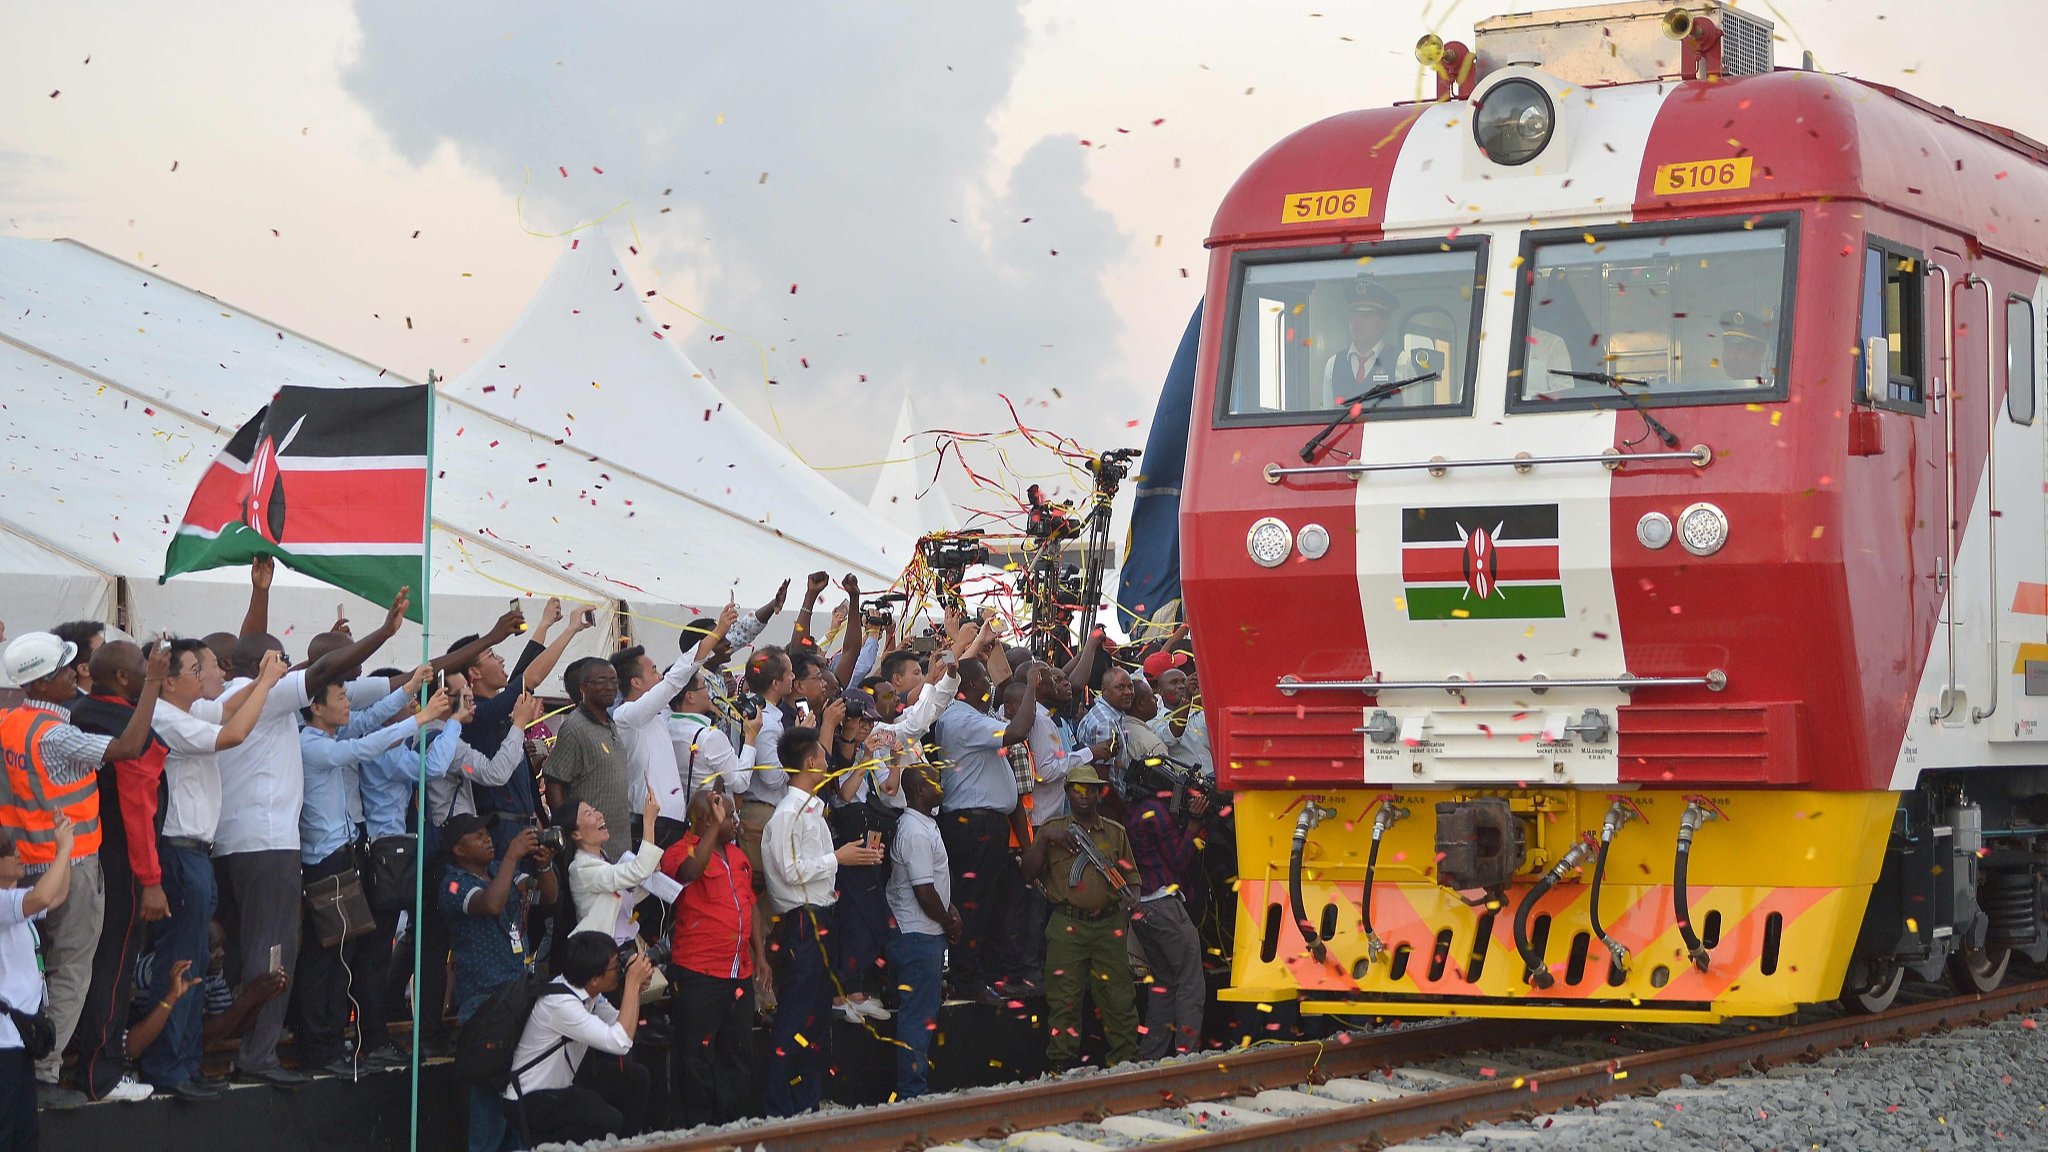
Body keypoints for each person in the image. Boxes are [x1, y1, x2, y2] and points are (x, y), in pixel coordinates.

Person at [212, 579, 423, 1087]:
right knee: (282, 955)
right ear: (267, 666)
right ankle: (266, 1052)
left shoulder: (228, 698)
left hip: (239, 846)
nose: (292, 669)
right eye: (283, 661)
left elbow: (356, 696)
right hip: (273, 850)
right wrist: (384, 632)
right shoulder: (268, 699)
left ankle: (264, 1044)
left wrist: (259, 591)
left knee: (270, 953)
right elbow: (336, 689)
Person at [0, 630, 167, 1108]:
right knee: (71, 970)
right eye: (66, 669)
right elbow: (131, 745)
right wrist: (153, 681)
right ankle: (45, 1072)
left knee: (30, 971)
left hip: (24, 867)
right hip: (71, 867)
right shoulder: (57, 734)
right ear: (45, 681)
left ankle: (29, 1063)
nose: (77, 672)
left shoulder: (10, 722)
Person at [138, 639, 285, 1100]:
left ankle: (186, 1063)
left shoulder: (183, 713)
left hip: (196, 852)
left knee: (196, 962)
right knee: (180, 961)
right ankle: (168, 1068)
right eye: (195, 671)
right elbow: (233, 734)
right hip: (179, 853)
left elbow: (224, 713)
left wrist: (262, 681)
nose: (204, 679)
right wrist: (268, 684)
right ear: (170, 681)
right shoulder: (162, 718)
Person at [296, 675, 456, 1076]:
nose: (350, 704)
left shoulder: (331, 737)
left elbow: (370, 724)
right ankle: (322, 1048)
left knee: (342, 959)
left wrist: (407, 690)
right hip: (326, 860)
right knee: (327, 959)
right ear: (316, 706)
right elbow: (367, 743)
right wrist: (422, 719)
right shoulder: (312, 744)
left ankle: (335, 1044)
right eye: (340, 695)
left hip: (348, 853)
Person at [66, 641, 179, 1103]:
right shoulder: (121, 725)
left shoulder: (76, 714)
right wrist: (150, 882)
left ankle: (77, 1061)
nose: (153, 666)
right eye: (143, 663)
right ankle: (103, 1073)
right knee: (113, 966)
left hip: (79, 857)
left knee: (80, 964)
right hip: (122, 862)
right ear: (124, 679)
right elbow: (136, 807)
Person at [761, 723, 883, 1116]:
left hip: (821, 917)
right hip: (801, 922)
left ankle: (806, 1103)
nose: (827, 760)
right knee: (796, 1013)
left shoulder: (811, 809)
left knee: (815, 1018)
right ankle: (780, 1107)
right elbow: (788, 870)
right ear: (812, 761)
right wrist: (838, 857)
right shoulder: (786, 814)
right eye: (822, 755)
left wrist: (852, 857)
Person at [442, 814, 557, 1152]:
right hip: (484, 1003)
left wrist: (544, 866)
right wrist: (511, 854)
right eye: (478, 836)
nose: (487, 839)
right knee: (490, 1102)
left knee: (516, 1098)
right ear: (459, 850)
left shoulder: (497, 873)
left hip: (516, 995)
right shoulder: (451, 884)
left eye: (487, 834)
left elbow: (546, 897)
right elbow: (491, 903)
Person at [932, 648, 1035, 1004]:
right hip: (972, 825)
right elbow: (1018, 731)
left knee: (989, 905)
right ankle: (967, 980)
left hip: (982, 825)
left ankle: (983, 975)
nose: (992, 687)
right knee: (973, 906)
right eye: (986, 681)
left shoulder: (969, 716)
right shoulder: (965, 720)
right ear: (974, 684)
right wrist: (1031, 686)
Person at [1021, 764, 1138, 1071]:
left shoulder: (1115, 833)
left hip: (1109, 923)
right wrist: (1047, 839)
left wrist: (1130, 905)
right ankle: (1062, 1065)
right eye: (1077, 789)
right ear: (1067, 792)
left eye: (1091, 790)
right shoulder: (1052, 828)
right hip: (1067, 923)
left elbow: (1132, 878)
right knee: (1064, 1000)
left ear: (1100, 794)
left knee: (1119, 999)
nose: (1084, 796)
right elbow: (1027, 873)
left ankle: (1124, 1063)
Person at [658, 786, 761, 1126]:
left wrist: (760, 954)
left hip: (739, 973)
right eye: (729, 816)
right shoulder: (678, 850)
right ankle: (698, 1132)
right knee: (695, 1058)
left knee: (737, 1054)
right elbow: (689, 872)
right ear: (707, 819)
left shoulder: (737, 855)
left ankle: (732, 1128)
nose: (736, 822)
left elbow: (751, 905)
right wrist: (716, 829)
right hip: (699, 973)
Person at [504, 931, 653, 1145]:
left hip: (563, 1084)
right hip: (530, 1100)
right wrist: (631, 983)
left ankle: (624, 1146)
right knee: (608, 1119)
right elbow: (620, 1042)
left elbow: (619, 1024)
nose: (620, 970)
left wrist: (635, 988)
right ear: (594, 979)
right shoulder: (561, 1005)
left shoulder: (585, 989)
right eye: (615, 966)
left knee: (637, 1078)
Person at [613, 601, 736, 848]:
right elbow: (675, 681)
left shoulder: (661, 715)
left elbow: (681, 689)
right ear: (636, 683)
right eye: (655, 671)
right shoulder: (626, 716)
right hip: (649, 825)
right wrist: (716, 633)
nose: (660, 676)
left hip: (675, 824)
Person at [1125, 766, 1211, 1059]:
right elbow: (1178, 858)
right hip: (1164, 904)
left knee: (1163, 984)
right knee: (1190, 980)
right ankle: (1187, 1055)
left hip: (1141, 907)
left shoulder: (1133, 810)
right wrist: (1195, 823)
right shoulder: (1156, 811)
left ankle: (1151, 1057)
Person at [2, 814, 76, 1151]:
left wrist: (72, 850)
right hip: (2, 1043)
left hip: (20, 1040)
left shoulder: (14, 901)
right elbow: (43, 898)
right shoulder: (4, 903)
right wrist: (61, 851)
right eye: (8, 850)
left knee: (24, 1138)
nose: (18, 855)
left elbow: (57, 895)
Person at [885, 764, 959, 1100]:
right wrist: (947, 921)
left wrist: (950, 912)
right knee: (917, 1018)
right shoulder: (914, 831)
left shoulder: (924, 825)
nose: (940, 786)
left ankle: (916, 1088)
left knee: (923, 1014)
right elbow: (923, 891)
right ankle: (911, 1094)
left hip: (927, 932)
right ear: (917, 789)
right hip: (917, 935)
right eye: (934, 782)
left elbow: (935, 885)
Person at [543, 656, 633, 860]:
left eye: (614, 681)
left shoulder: (610, 723)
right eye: (601, 681)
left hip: (620, 846)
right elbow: (554, 784)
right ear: (583, 687)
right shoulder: (574, 728)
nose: (610, 687)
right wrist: (571, 835)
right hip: (591, 851)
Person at [562, 788, 665, 947]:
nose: (599, 815)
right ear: (576, 834)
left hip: (628, 942)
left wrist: (648, 874)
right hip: (609, 954)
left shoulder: (600, 857)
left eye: (595, 810)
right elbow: (640, 869)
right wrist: (649, 821)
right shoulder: (581, 868)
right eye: (589, 814)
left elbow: (619, 900)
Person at [737, 646, 796, 881]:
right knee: (763, 891)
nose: (793, 677)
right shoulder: (766, 722)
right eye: (790, 673)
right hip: (761, 812)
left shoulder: (754, 712)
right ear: (775, 683)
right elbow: (772, 778)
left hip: (763, 811)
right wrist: (796, 748)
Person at [1320, 279, 1416, 402]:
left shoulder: (1402, 363)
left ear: (1385, 323)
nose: (1358, 322)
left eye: (1367, 315)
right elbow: (1328, 415)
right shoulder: (1333, 365)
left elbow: (1414, 417)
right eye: (1355, 314)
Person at [1146, 660, 1211, 779]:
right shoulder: (1155, 722)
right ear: (1160, 691)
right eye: (1174, 683)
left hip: (1215, 784)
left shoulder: (1199, 714)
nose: (1181, 686)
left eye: (1184, 682)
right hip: (1191, 790)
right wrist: (1186, 697)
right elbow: (1171, 736)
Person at [1719, 308, 1774, 383]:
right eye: (1727, 348)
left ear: (1760, 353)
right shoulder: (1718, 389)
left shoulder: (1769, 391)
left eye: (1740, 349)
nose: (1731, 356)